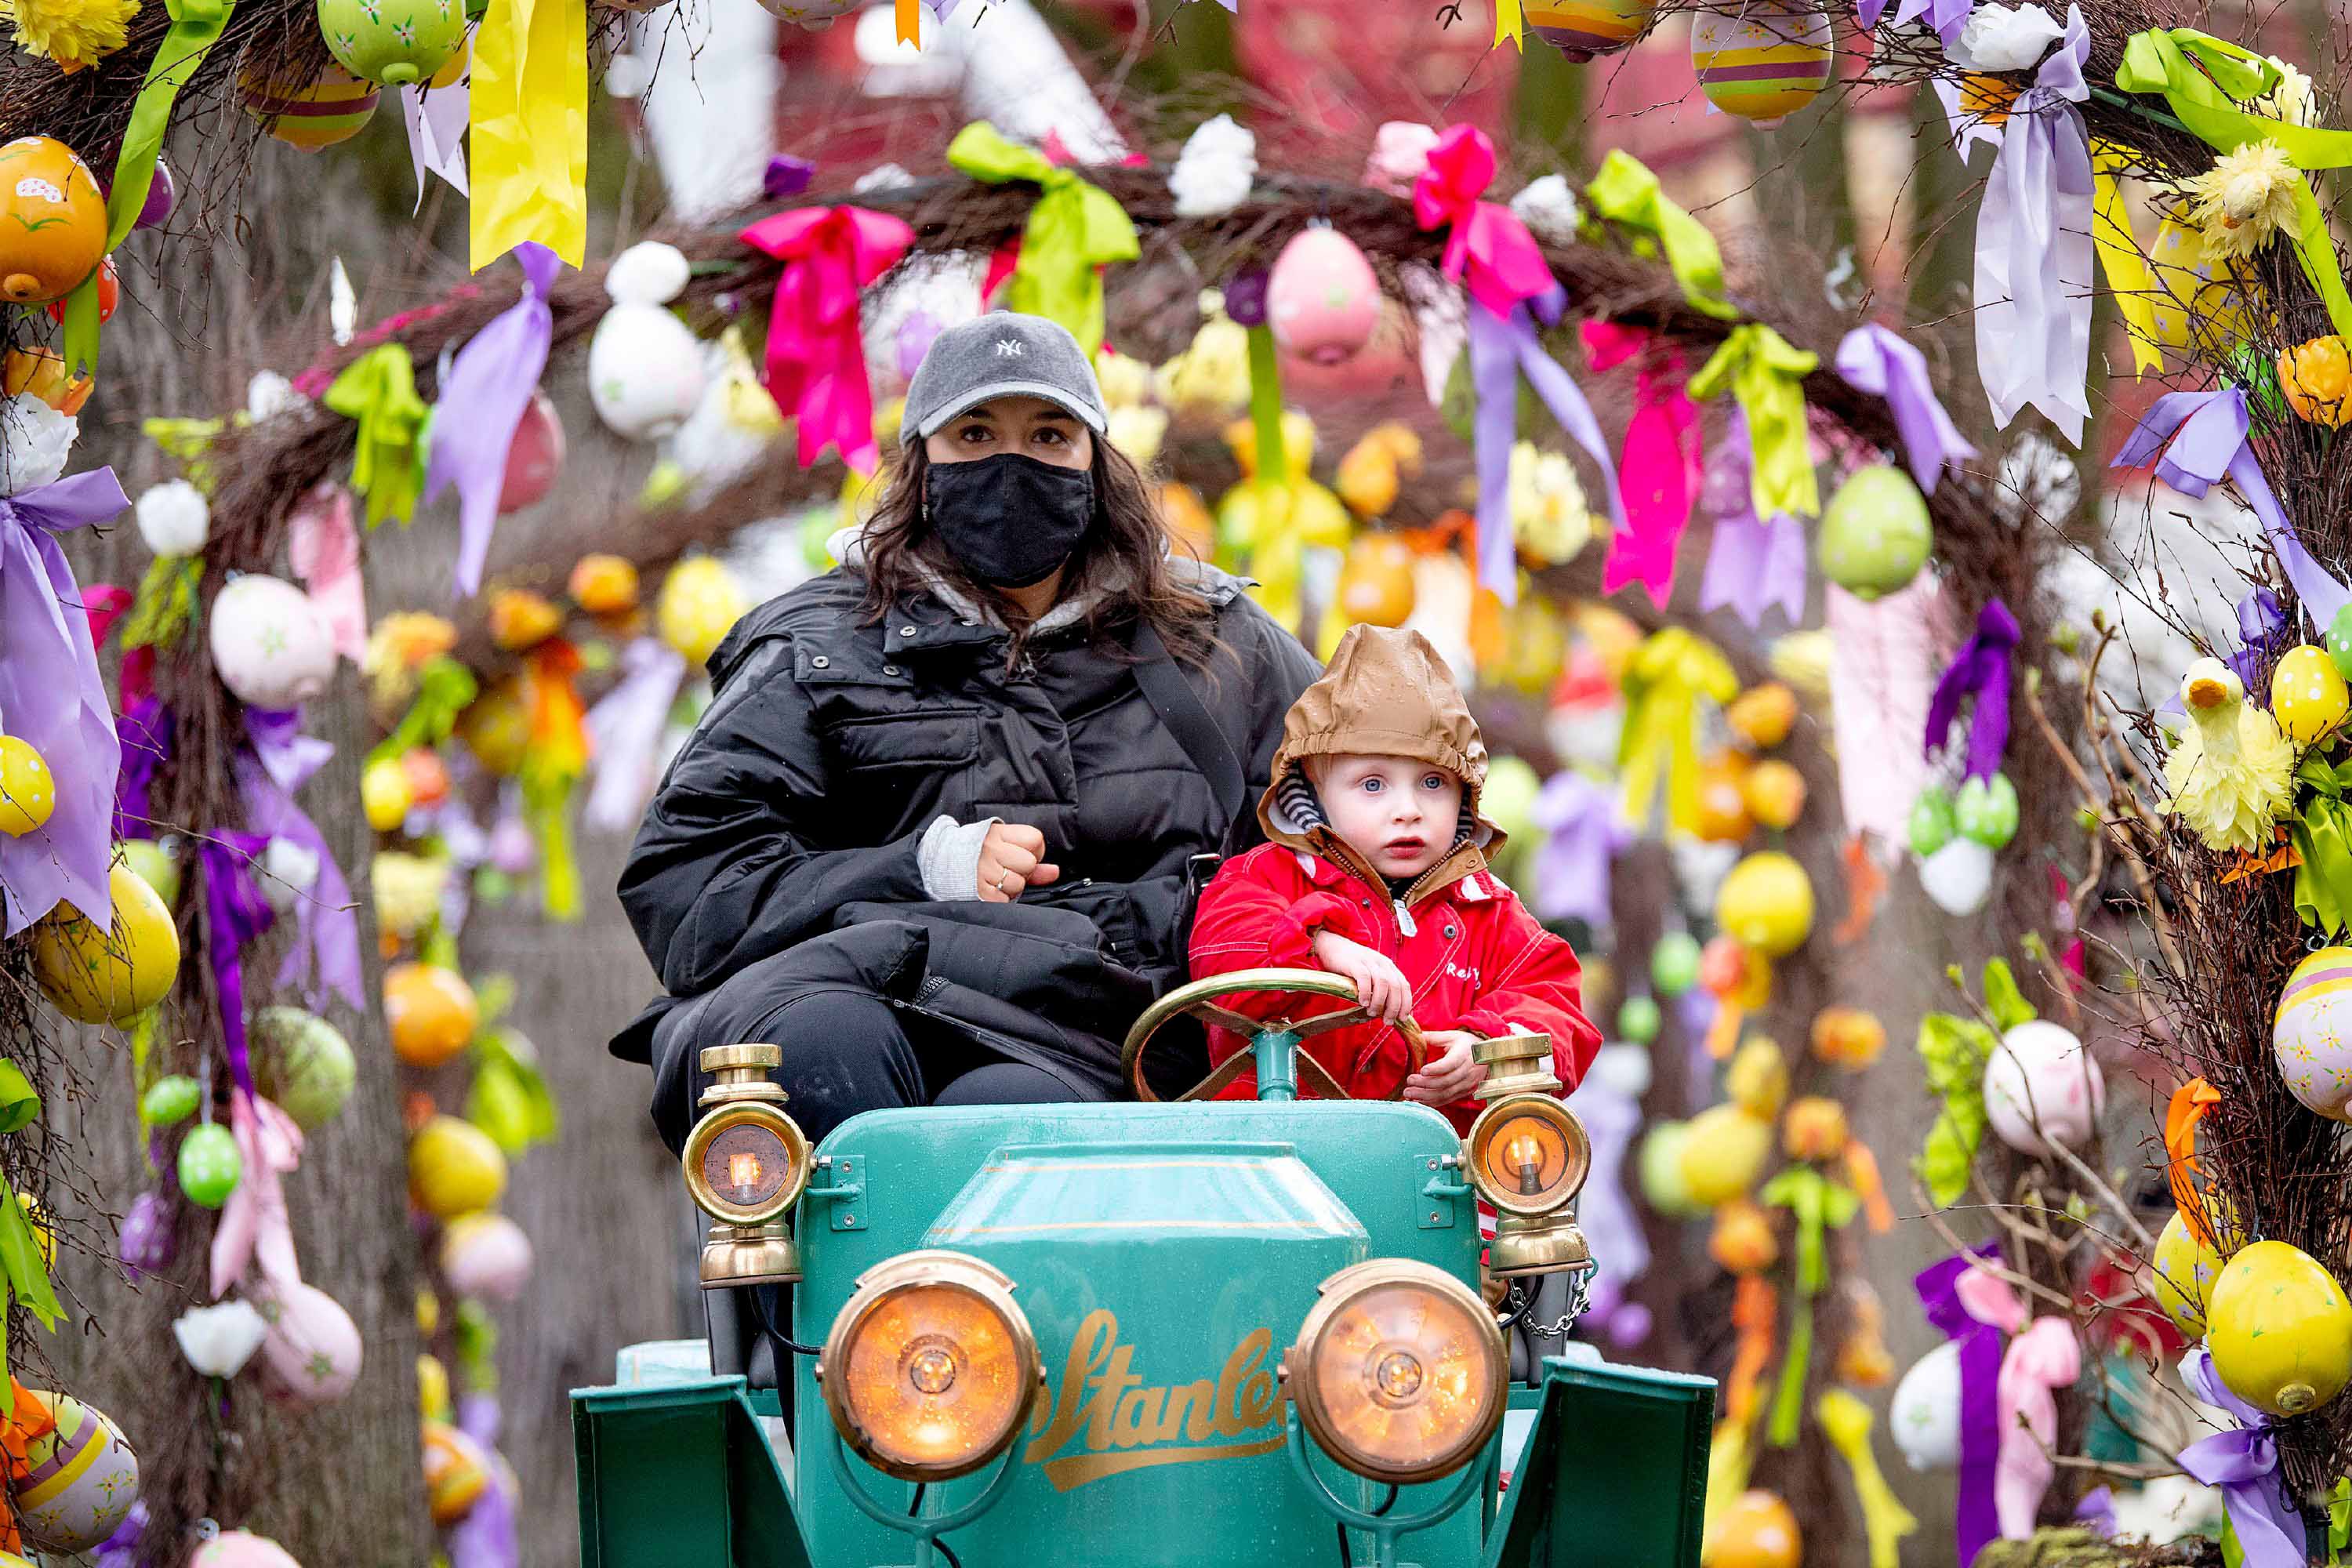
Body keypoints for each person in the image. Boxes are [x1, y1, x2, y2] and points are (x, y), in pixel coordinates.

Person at [612, 312, 1323, 1154]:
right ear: (921, 464)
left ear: (1096, 463)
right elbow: (690, 885)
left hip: (1101, 1033)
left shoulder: (1221, 643)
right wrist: (919, 868)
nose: (1010, 464)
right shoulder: (810, 643)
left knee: (1009, 1121)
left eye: (1049, 434)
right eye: (975, 432)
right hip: (845, 992)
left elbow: (1357, 829)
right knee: (813, 1057)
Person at [1187, 624, 1601, 1131]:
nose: (1407, 810)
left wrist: (1487, 1049)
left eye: (1433, 783)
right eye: (1373, 784)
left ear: (1464, 792)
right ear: (1317, 783)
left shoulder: (1489, 911)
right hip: (1278, 1168)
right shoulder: (1265, 878)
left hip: (1430, 1181)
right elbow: (1219, 956)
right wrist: (1322, 946)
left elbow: (1555, 1004)